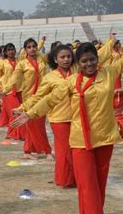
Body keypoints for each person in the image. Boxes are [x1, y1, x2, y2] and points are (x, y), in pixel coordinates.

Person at [12, 42, 123, 214]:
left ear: (98, 60)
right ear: (79, 63)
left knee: (100, 182)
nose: (89, 64)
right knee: (86, 183)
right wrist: (30, 113)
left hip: (104, 139)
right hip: (80, 140)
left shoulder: (109, 73)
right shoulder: (71, 82)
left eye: (92, 60)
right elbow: (50, 99)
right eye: (84, 61)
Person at [13, 45, 77, 187]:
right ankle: (65, 179)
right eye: (62, 57)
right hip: (59, 118)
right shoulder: (50, 77)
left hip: (78, 117)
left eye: (68, 56)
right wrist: (22, 107)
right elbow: (38, 97)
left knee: (76, 149)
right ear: (55, 59)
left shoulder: (77, 73)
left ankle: (72, 178)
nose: (66, 59)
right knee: (64, 150)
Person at [0, 38, 53, 160]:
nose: (32, 49)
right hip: (29, 98)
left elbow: (54, 63)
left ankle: (30, 150)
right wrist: (4, 91)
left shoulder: (42, 58)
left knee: (39, 124)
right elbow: (14, 78)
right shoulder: (22, 63)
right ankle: (44, 151)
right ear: (25, 50)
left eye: (34, 46)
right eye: (29, 47)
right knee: (32, 125)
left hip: (42, 96)